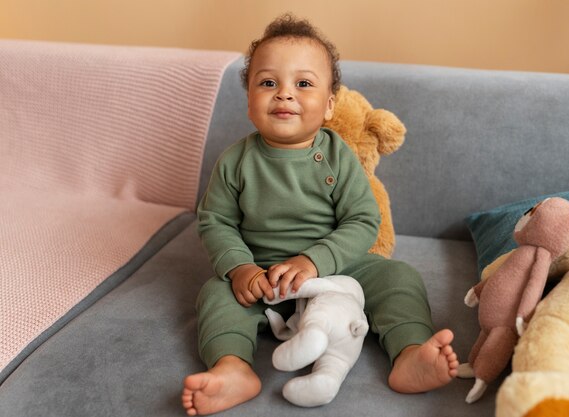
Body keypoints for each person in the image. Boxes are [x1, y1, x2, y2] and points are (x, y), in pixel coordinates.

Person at [181, 14, 458, 416]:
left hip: (337, 268)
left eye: (303, 84)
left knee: (399, 277)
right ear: (249, 101)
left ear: (329, 105)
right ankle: (233, 368)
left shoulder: (336, 156)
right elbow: (215, 221)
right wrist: (240, 269)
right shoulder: (236, 161)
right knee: (216, 294)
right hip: (263, 274)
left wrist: (315, 261)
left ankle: (411, 352)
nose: (284, 95)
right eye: (268, 83)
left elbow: (363, 220)